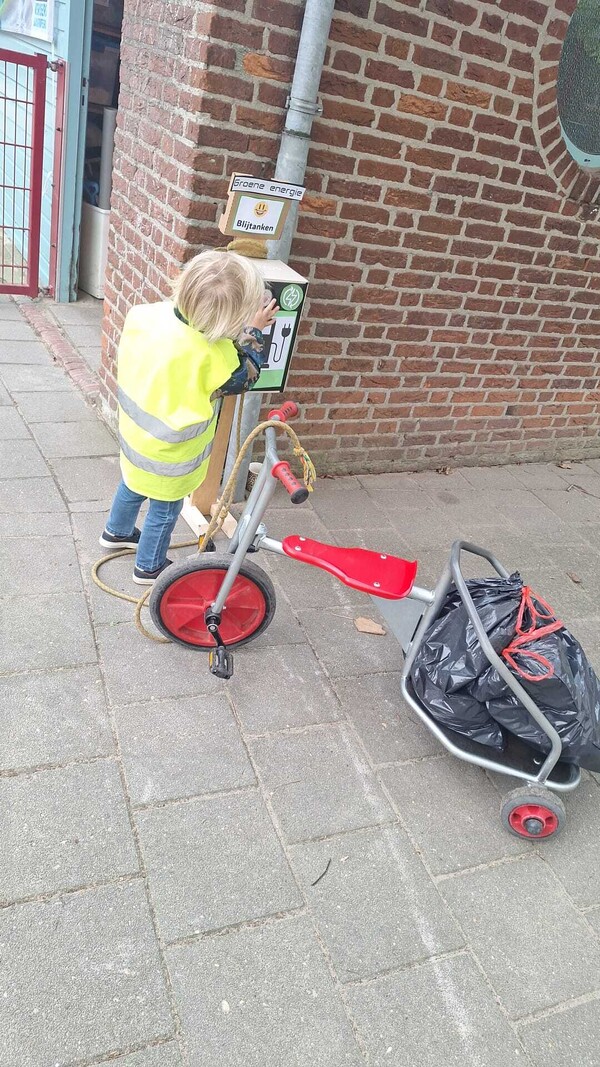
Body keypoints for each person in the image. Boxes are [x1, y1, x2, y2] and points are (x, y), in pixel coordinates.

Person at [99, 250, 278, 584]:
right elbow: (246, 375)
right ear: (229, 319)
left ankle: (116, 531)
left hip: (135, 436)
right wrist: (253, 331)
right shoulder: (215, 354)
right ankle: (149, 567)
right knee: (164, 510)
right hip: (171, 455)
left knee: (133, 483)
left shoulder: (145, 315)